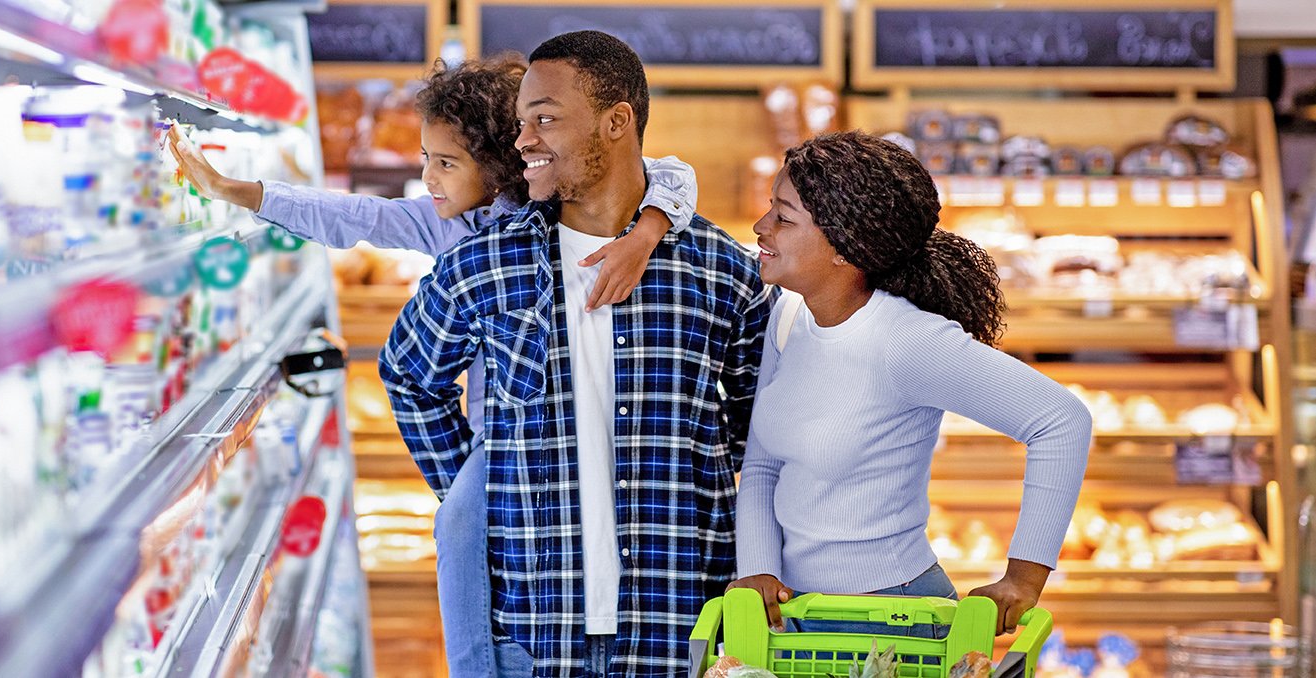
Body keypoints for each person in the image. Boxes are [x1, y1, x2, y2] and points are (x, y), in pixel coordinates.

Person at [166, 55, 701, 677]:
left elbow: (671, 172)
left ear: (501, 164)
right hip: (499, 441)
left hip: (587, 430)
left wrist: (646, 233)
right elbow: (354, 218)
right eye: (426, 159)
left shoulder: (562, 210)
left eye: (445, 163)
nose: (428, 178)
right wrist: (238, 192)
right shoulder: (448, 225)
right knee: (463, 531)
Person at [379, 31, 772, 677]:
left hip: (682, 628)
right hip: (530, 632)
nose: (523, 140)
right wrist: (476, 492)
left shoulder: (720, 274)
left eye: (545, 119)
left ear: (617, 121)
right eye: (519, 122)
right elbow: (408, 375)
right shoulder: (486, 263)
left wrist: (694, 471)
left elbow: (759, 423)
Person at [729, 130, 1091, 638]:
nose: (761, 227)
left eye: (784, 218)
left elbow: (1062, 420)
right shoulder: (790, 316)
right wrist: (758, 572)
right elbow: (764, 463)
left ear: (844, 246)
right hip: (795, 618)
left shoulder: (907, 340)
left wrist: (1024, 579)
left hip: (893, 620)